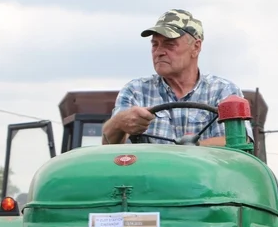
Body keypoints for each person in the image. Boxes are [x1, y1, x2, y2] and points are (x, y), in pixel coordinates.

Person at [102, 9, 252, 146]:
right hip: (149, 175)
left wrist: (184, 151)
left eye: (169, 44)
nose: (159, 52)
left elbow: (237, 144)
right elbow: (108, 149)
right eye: (155, 44)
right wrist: (118, 123)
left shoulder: (223, 91)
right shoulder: (136, 91)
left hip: (206, 175)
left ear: (196, 47)